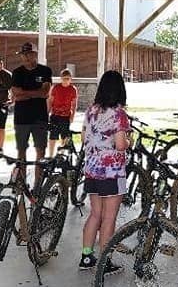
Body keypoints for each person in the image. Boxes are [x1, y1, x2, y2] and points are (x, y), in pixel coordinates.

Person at [79, 70, 131, 274]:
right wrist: (129, 141)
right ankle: (105, 262)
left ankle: (86, 256)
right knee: (109, 218)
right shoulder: (119, 114)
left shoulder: (91, 110)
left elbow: (84, 138)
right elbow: (119, 145)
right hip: (112, 172)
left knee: (95, 214)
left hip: (92, 169)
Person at [10, 42, 53, 188]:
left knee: (40, 151)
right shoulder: (17, 72)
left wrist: (25, 94)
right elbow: (16, 94)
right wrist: (35, 94)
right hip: (21, 117)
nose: (26, 57)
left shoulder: (45, 71)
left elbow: (45, 92)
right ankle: (21, 183)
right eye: (23, 54)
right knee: (21, 151)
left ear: (35, 54)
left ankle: (37, 185)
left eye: (29, 54)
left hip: (40, 117)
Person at [48, 68, 78, 157]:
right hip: (55, 115)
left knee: (64, 136)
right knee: (53, 135)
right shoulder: (56, 88)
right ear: (61, 78)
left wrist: (72, 116)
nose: (65, 81)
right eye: (64, 78)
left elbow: (74, 104)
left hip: (66, 115)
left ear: (70, 79)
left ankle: (61, 154)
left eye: (67, 79)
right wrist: (47, 112)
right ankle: (50, 155)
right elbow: (50, 101)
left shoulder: (73, 89)